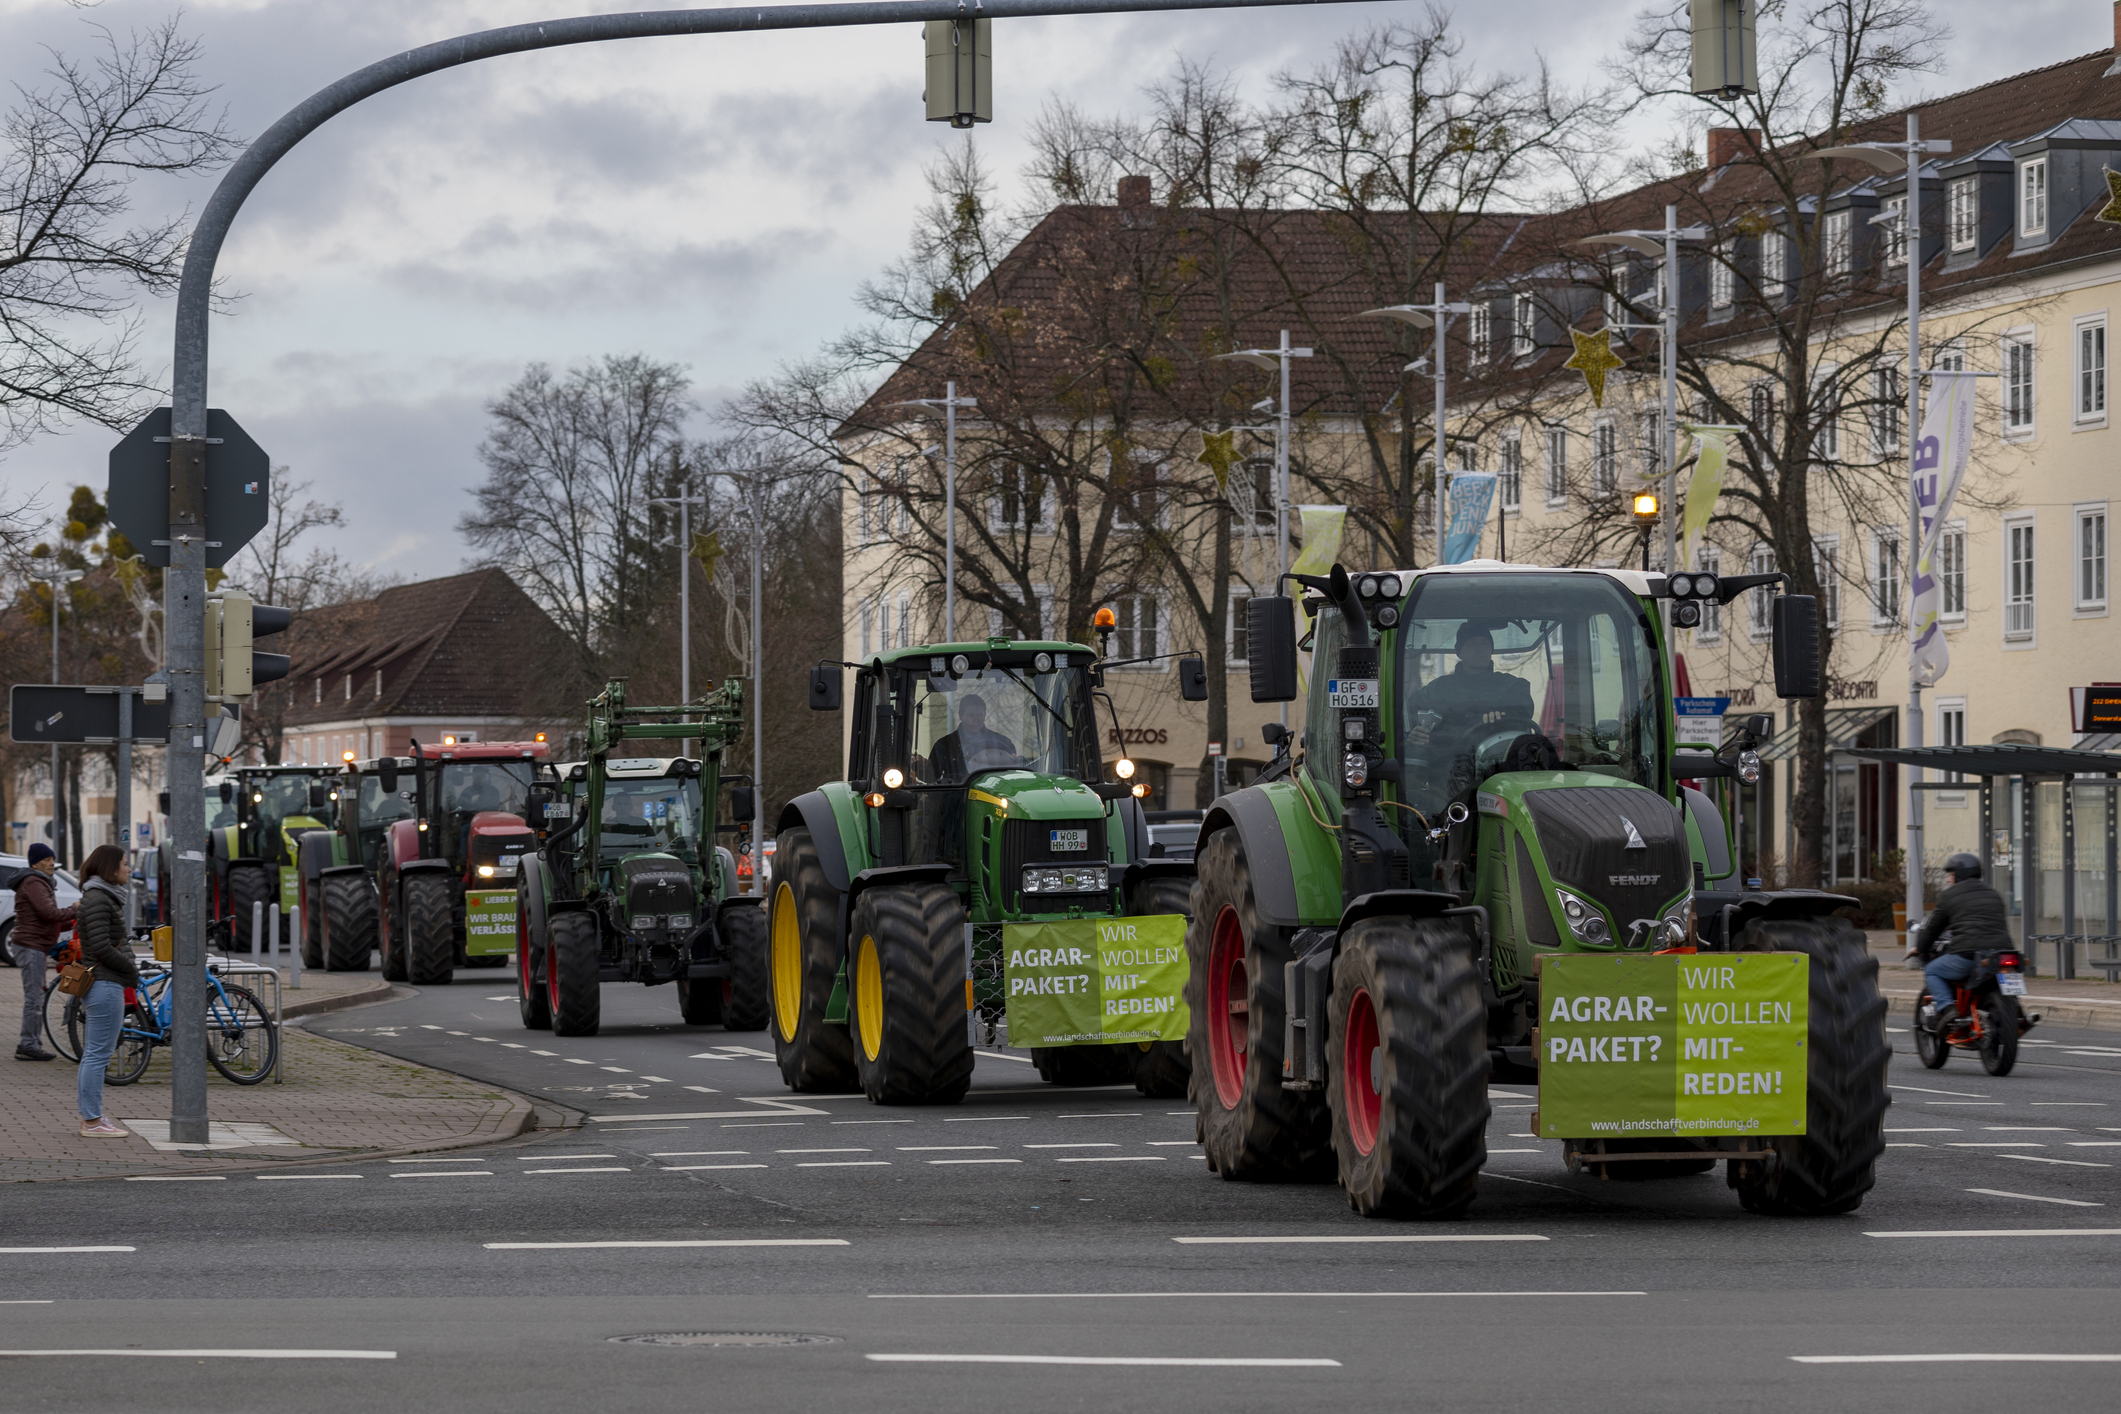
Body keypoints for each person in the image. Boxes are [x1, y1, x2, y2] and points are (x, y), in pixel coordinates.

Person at [73, 844, 140, 1138]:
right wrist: (130, 968)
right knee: (98, 1055)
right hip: (105, 983)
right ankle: (93, 1121)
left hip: (103, 982)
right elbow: (100, 946)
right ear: (110, 868)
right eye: (125, 864)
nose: (129, 868)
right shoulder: (100, 898)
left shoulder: (98, 896)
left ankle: (92, 1117)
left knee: (94, 1054)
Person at [1908, 852, 2012, 1034]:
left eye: (1951, 875)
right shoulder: (1993, 894)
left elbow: (1933, 927)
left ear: (1959, 874)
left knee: (1932, 970)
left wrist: (1921, 949)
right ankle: (2014, 1010)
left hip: (1969, 954)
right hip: (2003, 953)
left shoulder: (1950, 896)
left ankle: (1948, 1009)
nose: (1949, 880)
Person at [1406, 622, 1537, 747]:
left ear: (1491, 650)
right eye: (1471, 643)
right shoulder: (1437, 689)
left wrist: (1503, 717)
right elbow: (1408, 713)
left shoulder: (1513, 686)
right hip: (1445, 763)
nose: (1479, 649)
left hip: (1498, 760)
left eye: (1484, 643)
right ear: (1459, 652)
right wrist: (1416, 732)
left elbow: (1522, 711)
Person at [10, 843, 74, 1062]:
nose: (51, 863)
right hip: (30, 946)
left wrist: (71, 921)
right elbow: (49, 913)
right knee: (34, 998)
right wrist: (77, 908)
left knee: (37, 996)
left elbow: (48, 919)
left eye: (52, 859)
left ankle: (31, 1043)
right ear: (35, 863)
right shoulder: (34, 882)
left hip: (34, 944)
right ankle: (28, 1044)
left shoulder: (40, 882)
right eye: (46, 859)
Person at [927, 694, 1019, 783]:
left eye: (980, 715)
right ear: (960, 715)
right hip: (958, 795)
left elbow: (1011, 774)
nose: (976, 719)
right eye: (971, 715)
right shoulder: (944, 745)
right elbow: (930, 777)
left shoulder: (1002, 743)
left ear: (985, 715)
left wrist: (1015, 762)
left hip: (993, 794)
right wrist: (920, 767)